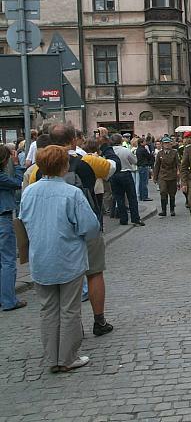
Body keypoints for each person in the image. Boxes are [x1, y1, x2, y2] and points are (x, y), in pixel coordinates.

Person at [20, 145, 101, 373]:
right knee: (69, 309)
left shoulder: (29, 192)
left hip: (41, 258)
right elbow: (89, 226)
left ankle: (51, 358)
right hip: (68, 258)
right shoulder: (71, 193)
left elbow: (23, 219)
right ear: (64, 165)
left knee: (47, 309)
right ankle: (67, 357)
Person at [0, 145, 25, 311]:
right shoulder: (1, 177)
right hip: (3, 218)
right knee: (8, 261)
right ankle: (9, 300)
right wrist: (16, 165)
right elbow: (17, 183)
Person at [109, 134, 144, 227]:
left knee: (119, 197)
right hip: (125, 173)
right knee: (131, 197)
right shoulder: (125, 150)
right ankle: (135, 218)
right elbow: (134, 161)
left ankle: (123, 219)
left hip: (114, 174)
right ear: (120, 141)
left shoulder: (109, 151)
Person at [153, 136, 180, 216]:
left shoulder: (174, 152)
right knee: (163, 192)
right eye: (165, 143)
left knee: (172, 193)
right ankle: (163, 210)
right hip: (162, 175)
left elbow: (178, 164)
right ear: (162, 144)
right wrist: (155, 177)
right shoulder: (160, 153)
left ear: (171, 144)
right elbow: (157, 166)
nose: (167, 145)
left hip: (172, 175)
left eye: (168, 143)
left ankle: (172, 210)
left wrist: (179, 173)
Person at [135, 137, 154, 202]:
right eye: (144, 141)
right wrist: (151, 155)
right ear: (141, 143)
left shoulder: (138, 149)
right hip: (144, 166)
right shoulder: (143, 149)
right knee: (144, 182)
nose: (145, 143)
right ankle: (144, 196)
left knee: (141, 182)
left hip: (140, 166)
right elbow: (148, 156)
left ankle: (141, 196)